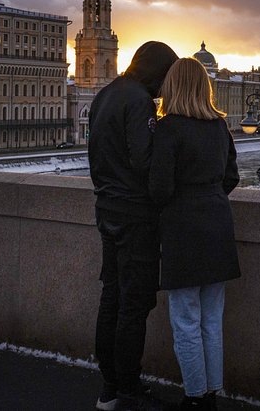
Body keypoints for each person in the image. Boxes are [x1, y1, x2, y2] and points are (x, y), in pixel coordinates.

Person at [88, 41, 178, 411]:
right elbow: (144, 161)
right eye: (165, 77)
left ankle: (109, 385)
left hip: (106, 209)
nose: (164, 88)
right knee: (135, 302)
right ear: (155, 72)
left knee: (111, 296)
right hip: (135, 215)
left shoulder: (104, 95)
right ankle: (128, 385)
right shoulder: (139, 100)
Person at [148, 58, 241, 410]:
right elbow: (231, 177)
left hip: (183, 231)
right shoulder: (219, 126)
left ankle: (194, 397)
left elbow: (159, 188)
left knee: (186, 319)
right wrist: (209, 196)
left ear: (172, 87)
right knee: (212, 318)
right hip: (218, 224)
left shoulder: (169, 128)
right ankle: (212, 393)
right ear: (205, 87)